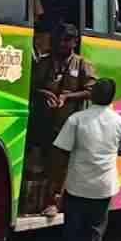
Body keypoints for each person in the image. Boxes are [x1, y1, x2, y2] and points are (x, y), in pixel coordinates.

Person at [50, 78, 121, 241]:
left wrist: (56, 187)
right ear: (112, 97)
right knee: (94, 234)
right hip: (104, 187)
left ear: (92, 96)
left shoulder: (77, 119)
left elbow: (62, 149)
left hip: (77, 185)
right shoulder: (120, 122)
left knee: (73, 233)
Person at [30, 24, 97, 217]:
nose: (61, 45)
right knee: (40, 162)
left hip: (69, 125)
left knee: (60, 165)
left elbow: (92, 91)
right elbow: (31, 86)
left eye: (66, 41)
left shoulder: (82, 64)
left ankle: (54, 201)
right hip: (43, 123)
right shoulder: (44, 62)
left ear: (74, 42)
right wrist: (44, 93)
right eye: (58, 40)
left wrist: (68, 97)